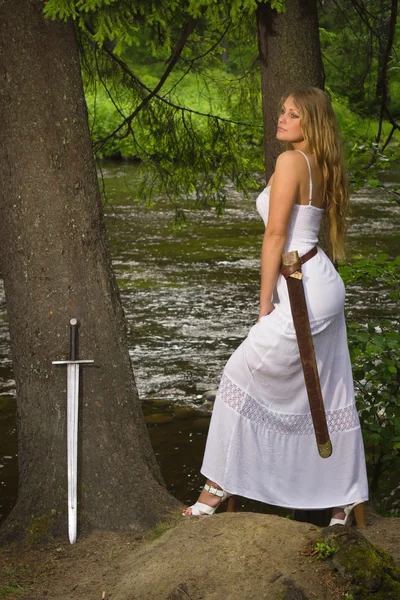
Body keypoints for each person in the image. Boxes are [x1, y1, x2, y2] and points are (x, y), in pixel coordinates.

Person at [183, 87, 369, 525]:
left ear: (312, 124)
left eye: (292, 114)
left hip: (302, 288)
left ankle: (215, 490)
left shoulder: (291, 162)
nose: (281, 119)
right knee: (325, 393)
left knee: (240, 372)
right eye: (282, 111)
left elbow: (275, 237)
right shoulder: (319, 162)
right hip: (317, 282)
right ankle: (344, 501)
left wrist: (264, 304)